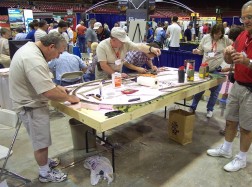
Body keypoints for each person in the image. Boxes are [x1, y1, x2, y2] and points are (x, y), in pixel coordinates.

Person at [207, 0, 252, 172]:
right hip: (238, 85)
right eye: (243, 18)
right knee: (231, 121)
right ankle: (226, 149)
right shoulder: (242, 36)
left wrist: (248, 62)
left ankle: (241, 158)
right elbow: (230, 60)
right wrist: (227, 55)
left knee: (246, 127)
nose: (246, 21)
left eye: (250, 17)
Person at [9, 32, 80, 182]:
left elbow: (41, 81)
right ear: (51, 47)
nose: (58, 57)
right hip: (30, 106)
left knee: (42, 139)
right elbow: (48, 92)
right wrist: (69, 98)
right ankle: (44, 173)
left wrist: (56, 86)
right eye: (59, 53)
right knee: (41, 142)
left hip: (29, 102)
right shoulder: (33, 59)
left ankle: (45, 163)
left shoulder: (31, 49)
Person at [189, 24, 233, 118]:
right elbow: (201, 50)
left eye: (220, 34)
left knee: (215, 91)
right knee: (200, 89)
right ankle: (193, 107)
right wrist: (197, 51)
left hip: (218, 69)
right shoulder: (206, 38)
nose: (217, 36)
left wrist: (226, 64)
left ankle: (210, 109)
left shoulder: (225, 39)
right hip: (205, 68)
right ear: (212, 32)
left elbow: (233, 48)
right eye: (216, 34)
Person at [95, 27, 161, 80]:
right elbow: (103, 65)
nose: (124, 42)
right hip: (104, 74)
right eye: (122, 41)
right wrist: (116, 75)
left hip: (117, 72)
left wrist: (151, 49)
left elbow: (139, 46)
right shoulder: (102, 46)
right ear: (113, 39)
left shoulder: (125, 44)